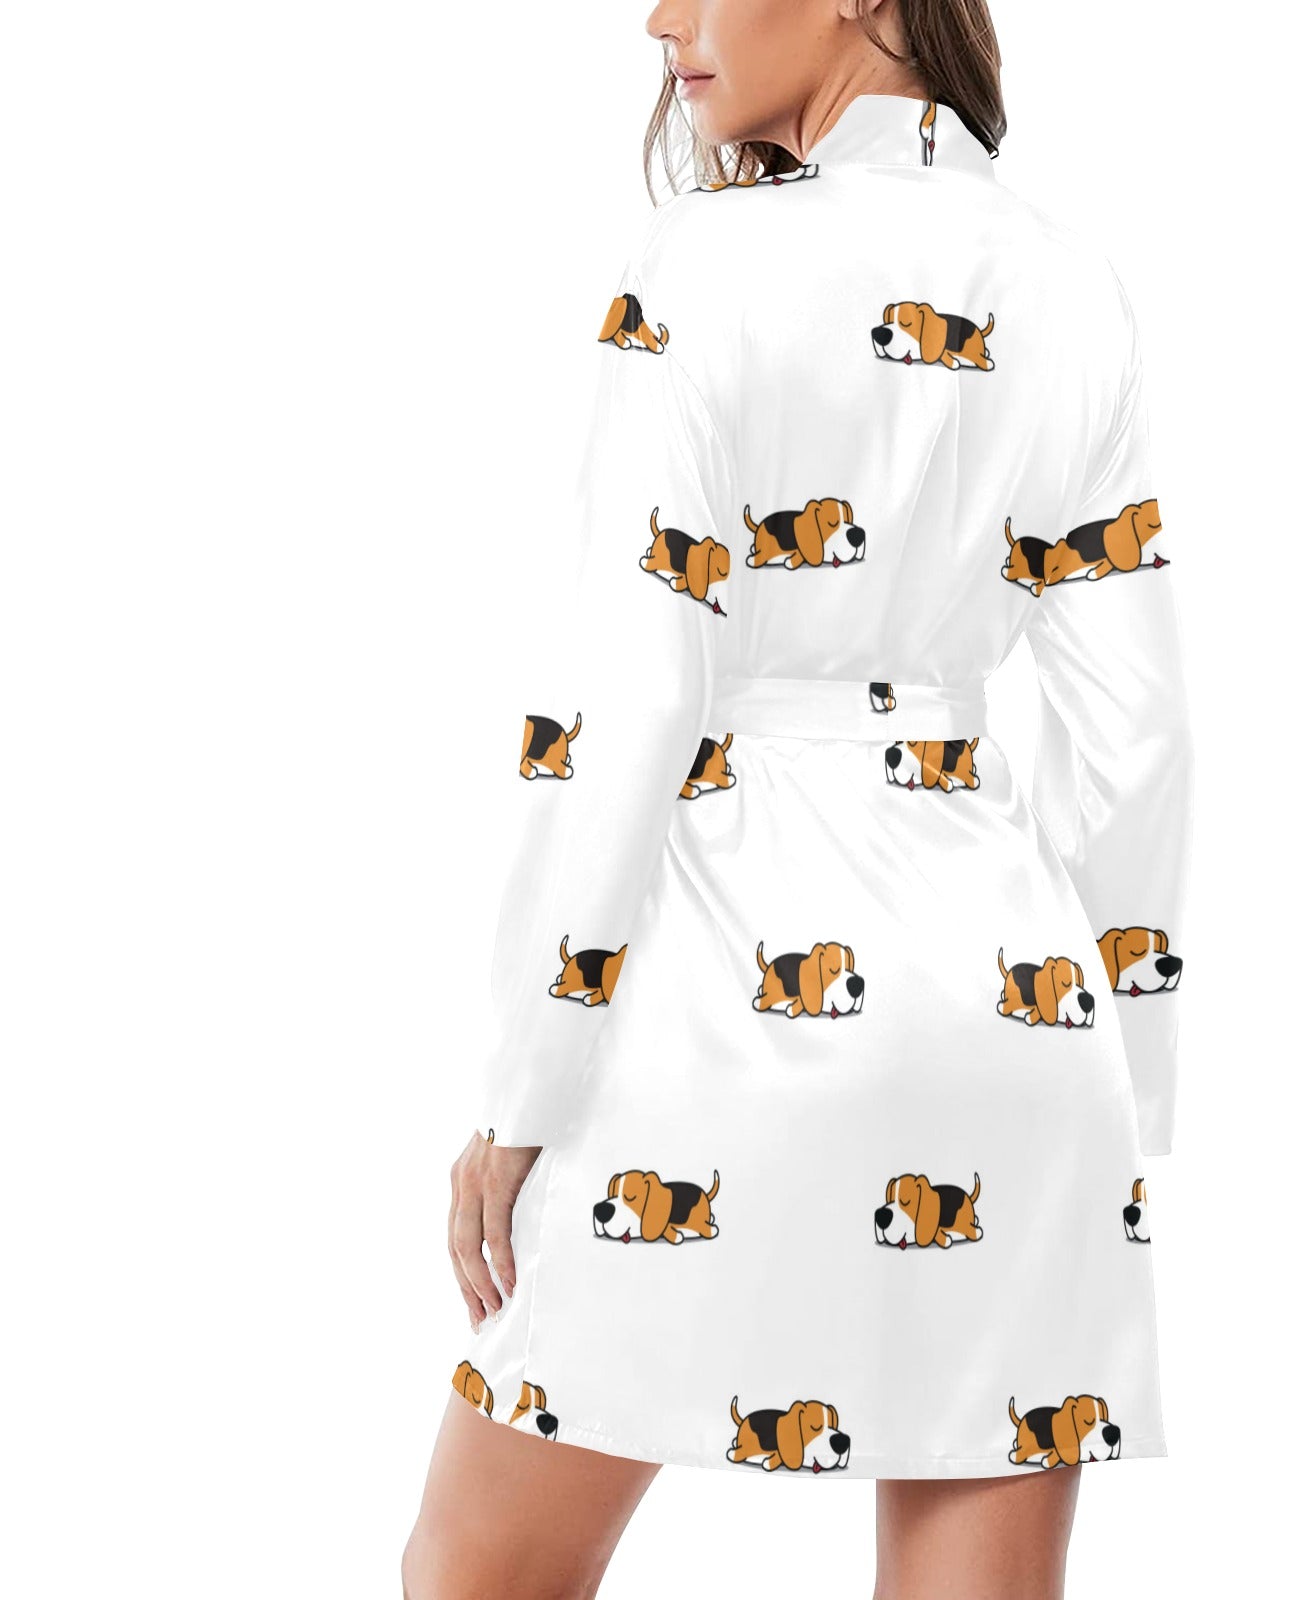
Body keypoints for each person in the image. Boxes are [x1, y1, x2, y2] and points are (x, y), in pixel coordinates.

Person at [403, 1, 1193, 1595]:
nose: (659, 18)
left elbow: (630, 701)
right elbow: (1137, 736)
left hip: (719, 1010)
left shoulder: (697, 264)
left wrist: (525, 1091)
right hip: (1012, 1029)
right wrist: (1129, 1088)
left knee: (477, 1576)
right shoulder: (1069, 280)